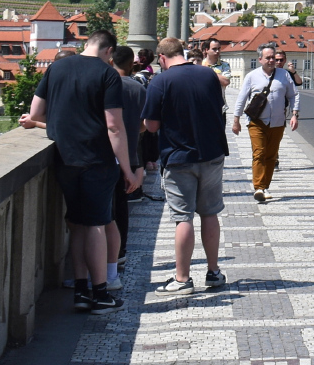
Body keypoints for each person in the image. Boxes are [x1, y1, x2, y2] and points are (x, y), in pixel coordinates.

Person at [19, 29, 139, 315]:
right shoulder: (107, 74)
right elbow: (114, 126)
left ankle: (81, 291)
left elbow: (35, 113)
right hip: (96, 159)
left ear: (87, 43)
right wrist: (127, 169)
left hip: (65, 158)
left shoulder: (57, 67)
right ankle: (101, 294)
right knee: (96, 223)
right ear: (109, 51)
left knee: (76, 223)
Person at [142, 36, 229, 294]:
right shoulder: (208, 75)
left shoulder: (160, 81)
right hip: (212, 153)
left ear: (162, 58)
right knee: (210, 213)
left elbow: (151, 126)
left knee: (183, 218)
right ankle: (213, 272)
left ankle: (182, 279)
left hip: (179, 157)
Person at [233, 43, 299, 203]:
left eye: (273, 57)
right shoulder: (252, 76)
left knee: (271, 156)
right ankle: (258, 187)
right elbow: (242, 98)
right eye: (268, 58)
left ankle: (264, 186)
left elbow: (293, 95)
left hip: (277, 122)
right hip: (257, 122)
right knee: (259, 153)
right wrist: (236, 119)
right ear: (260, 59)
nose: (271, 61)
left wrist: (295, 114)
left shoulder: (284, 75)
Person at [107, 45, 147, 285]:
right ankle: (120, 252)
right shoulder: (138, 88)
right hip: (130, 152)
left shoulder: (106, 86)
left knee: (106, 209)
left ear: (111, 60)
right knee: (122, 207)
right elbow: (144, 125)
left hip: (106, 154)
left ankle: (108, 257)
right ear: (132, 64)